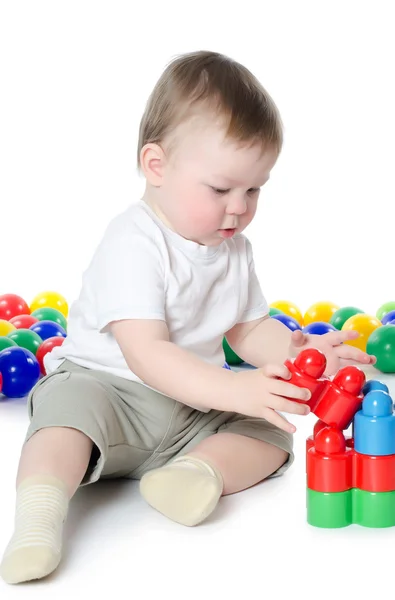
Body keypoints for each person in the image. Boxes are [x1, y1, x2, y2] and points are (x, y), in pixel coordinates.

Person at [0, 50, 375, 585]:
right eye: (221, 189)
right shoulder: (133, 242)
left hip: (188, 408)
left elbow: (247, 329)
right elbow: (146, 354)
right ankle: (39, 516)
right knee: (63, 416)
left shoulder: (234, 248)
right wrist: (234, 390)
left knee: (271, 433)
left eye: (254, 189)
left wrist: (294, 353)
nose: (239, 207)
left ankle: (195, 473)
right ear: (157, 166)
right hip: (111, 392)